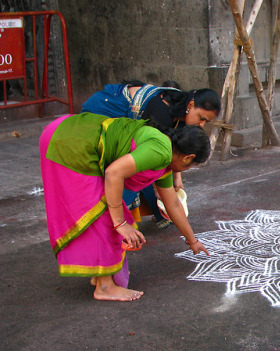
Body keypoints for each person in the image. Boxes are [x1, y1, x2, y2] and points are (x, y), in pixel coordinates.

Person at [39, 112, 210, 301]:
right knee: (107, 217)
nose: (184, 171)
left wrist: (192, 241)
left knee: (108, 213)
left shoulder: (165, 158)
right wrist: (120, 223)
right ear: (188, 158)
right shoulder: (160, 151)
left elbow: (173, 204)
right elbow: (114, 173)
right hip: (71, 141)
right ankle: (104, 287)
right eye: (189, 166)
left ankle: (100, 274)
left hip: (69, 133)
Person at [81, 80, 221, 228]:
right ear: (191, 105)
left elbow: (176, 152)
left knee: (152, 171)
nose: (201, 125)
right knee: (135, 173)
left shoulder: (181, 115)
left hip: (138, 139)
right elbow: (155, 163)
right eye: (201, 118)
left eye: (206, 122)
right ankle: (108, 221)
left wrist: (177, 177)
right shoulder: (161, 115)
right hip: (102, 113)